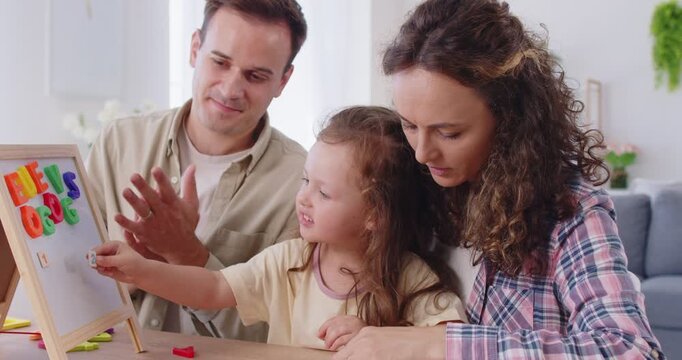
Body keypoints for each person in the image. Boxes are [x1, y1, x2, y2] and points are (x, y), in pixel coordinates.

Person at [334, 0, 665, 359]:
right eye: (410, 125)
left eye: (449, 133)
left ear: (508, 121)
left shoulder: (571, 212)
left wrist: (440, 344)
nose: (422, 154)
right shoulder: (414, 184)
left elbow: (629, 350)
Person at [93, 106, 466, 350]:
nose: (303, 198)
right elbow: (213, 287)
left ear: (375, 214)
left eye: (323, 192)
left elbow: (455, 341)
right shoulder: (291, 263)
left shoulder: (409, 278)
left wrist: (383, 340)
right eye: (305, 181)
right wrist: (140, 271)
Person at [86, 0, 308, 342]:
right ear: (194, 49)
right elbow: (71, 288)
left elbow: (281, 331)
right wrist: (136, 266)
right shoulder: (118, 143)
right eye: (220, 62)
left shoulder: (302, 184)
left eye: (256, 76)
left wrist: (186, 254)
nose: (230, 89)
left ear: (283, 81)